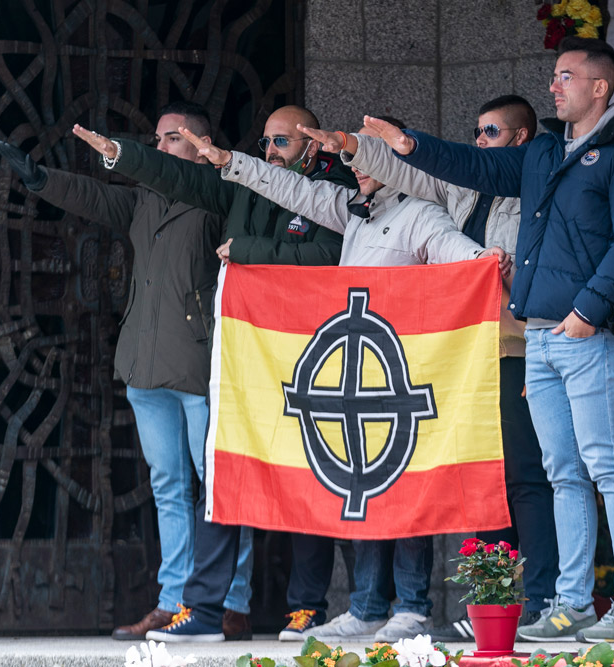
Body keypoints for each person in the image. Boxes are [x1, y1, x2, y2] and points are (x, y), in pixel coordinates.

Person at [364, 36, 614, 642]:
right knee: (562, 473)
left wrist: (587, 310)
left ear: (599, 87)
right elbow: (474, 166)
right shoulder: (545, 153)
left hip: (586, 335)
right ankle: (574, 601)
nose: (553, 85)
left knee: (609, 467)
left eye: (565, 76)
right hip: (539, 337)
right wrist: (408, 145)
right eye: (554, 76)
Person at [174, 116, 510, 643]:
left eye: (367, 160)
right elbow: (296, 189)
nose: (356, 170)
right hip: (357, 378)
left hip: (400, 379)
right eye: (355, 161)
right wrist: (233, 164)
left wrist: (483, 260)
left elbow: (455, 253)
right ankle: (368, 606)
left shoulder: (422, 215)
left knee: (406, 496)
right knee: (367, 496)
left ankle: (412, 607)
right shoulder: (354, 212)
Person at [71, 105, 357, 643]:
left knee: (310, 481)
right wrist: (118, 154)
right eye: (265, 142)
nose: (270, 152)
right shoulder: (240, 184)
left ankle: (312, 604)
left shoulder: (334, 188)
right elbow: (178, 176)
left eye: (282, 143)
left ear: (313, 145)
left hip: (313, 355)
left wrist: (247, 250)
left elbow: (326, 253)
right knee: (220, 482)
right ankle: (202, 608)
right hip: (249, 352)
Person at [299, 95, 559, 637]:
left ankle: (541, 599)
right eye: (476, 132)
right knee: (480, 481)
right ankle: (491, 606)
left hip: (518, 346)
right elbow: (404, 166)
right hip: (466, 354)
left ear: (520, 139)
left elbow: (503, 260)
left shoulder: (541, 189)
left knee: (525, 478)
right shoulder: (461, 189)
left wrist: (493, 270)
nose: (479, 141)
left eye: (490, 132)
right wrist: (355, 147)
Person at [0, 102, 254, 641]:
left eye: (171, 140)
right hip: (144, 363)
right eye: (156, 141)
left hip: (202, 363)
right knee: (168, 486)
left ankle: (231, 600)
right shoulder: (144, 200)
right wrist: (41, 179)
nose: (160, 148)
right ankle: (175, 599)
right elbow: (92, 197)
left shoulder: (220, 193)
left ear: (201, 145)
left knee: (221, 485)